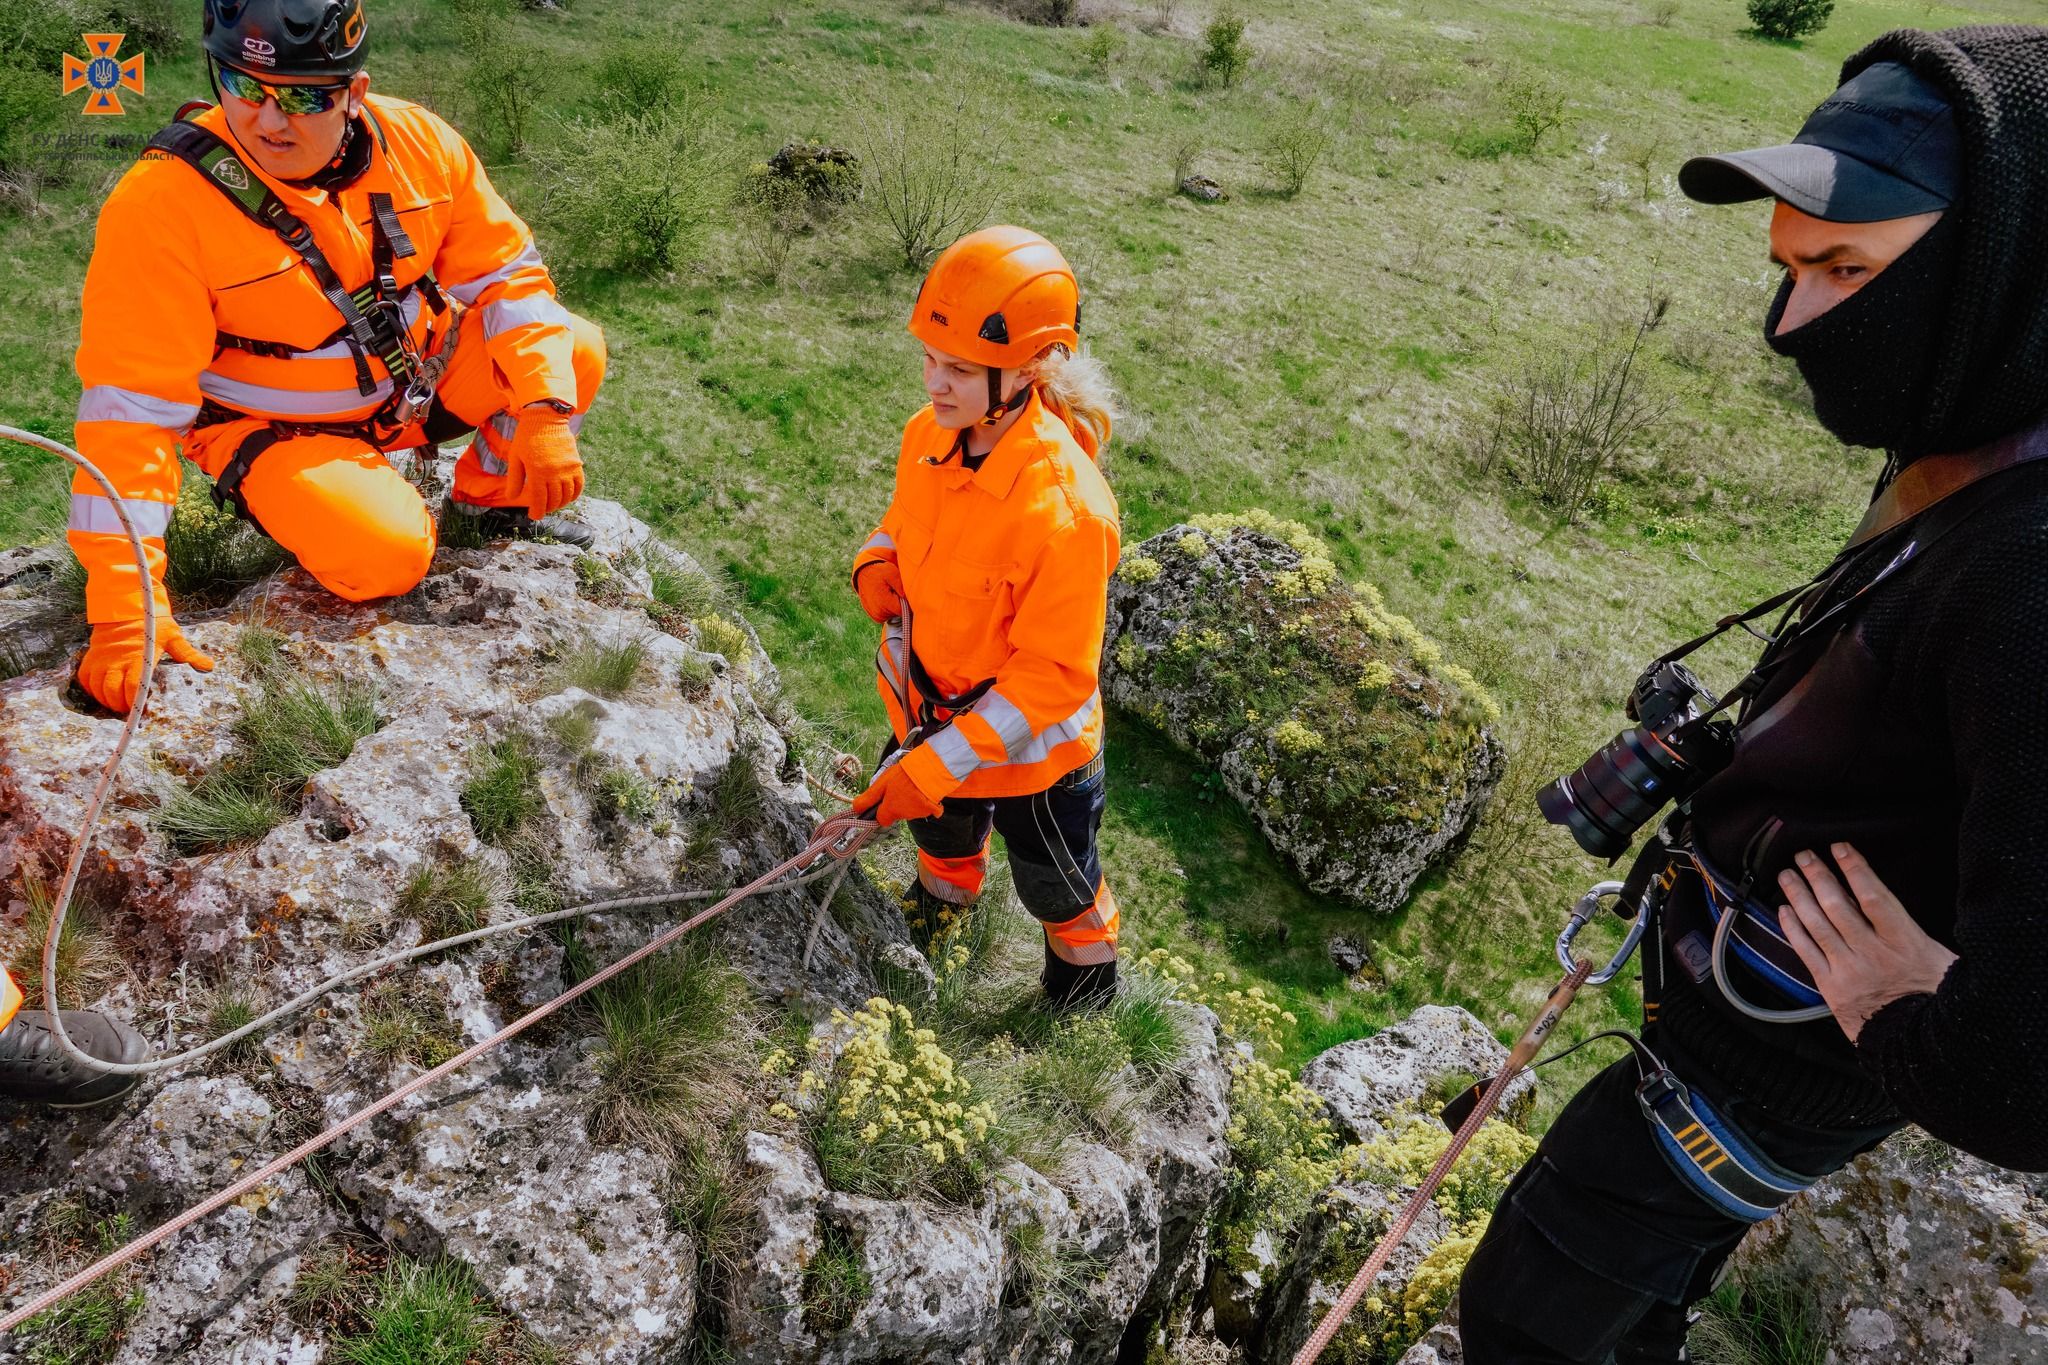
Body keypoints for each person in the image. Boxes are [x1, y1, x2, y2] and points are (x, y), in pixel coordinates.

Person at [1457, 27, 2048, 1363]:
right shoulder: (1986, 423)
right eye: (1788, 270)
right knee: (1624, 1304)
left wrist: (1908, 1012)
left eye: (1845, 270)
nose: (1793, 326)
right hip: (1747, 1034)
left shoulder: (2033, 563)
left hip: (1768, 1072)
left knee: (1520, 1318)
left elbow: (2027, 1073)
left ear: (2002, 254)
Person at [66, 0, 606, 718]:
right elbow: (128, 413)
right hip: (279, 428)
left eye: (301, 94)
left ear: (354, 92)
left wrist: (539, 407)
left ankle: (489, 503)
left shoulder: (418, 144)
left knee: (573, 351)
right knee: (386, 554)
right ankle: (310, 496)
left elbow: (509, 277)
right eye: (242, 84)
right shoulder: (161, 204)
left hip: (408, 393)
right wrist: (124, 609)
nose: (266, 118)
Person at [848, 226, 1125, 1008]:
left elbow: (1052, 678)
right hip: (931, 709)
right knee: (940, 841)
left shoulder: (1066, 513)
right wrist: (878, 560)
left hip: (1038, 759)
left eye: (960, 370)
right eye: (930, 360)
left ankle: (1082, 994)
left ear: (1028, 371)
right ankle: (941, 912)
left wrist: (930, 769)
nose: (934, 384)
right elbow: (905, 520)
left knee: (1056, 884)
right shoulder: (928, 437)